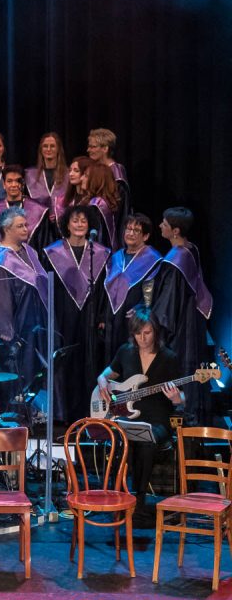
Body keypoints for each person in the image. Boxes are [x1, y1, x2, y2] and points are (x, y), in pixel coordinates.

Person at [96, 306, 182, 526]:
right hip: (128, 416)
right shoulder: (126, 351)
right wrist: (102, 380)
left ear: (155, 331)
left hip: (157, 420)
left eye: (147, 333)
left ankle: (139, 501)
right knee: (122, 440)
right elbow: (108, 373)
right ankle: (117, 497)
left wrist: (176, 398)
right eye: (138, 334)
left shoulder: (169, 357)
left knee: (146, 442)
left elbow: (182, 397)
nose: (143, 339)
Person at [43, 206, 111, 425]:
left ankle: (87, 410)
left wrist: (101, 315)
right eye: (75, 221)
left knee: (87, 361)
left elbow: (103, 289)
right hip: (63, 316)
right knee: (65, 362)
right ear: (67, 224)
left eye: (83, 221)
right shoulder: (53, 253)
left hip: (88, 317)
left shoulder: (99, 253)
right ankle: (64, 413)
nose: (80, 224)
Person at [0, 209, 50, 404]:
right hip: (18, 332)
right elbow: (0, 298)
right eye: (20, 226)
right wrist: (5, 329)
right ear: (6, 229)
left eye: (26, 225)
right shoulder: (2, 261)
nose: (26, 229)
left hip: (36, 326)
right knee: (21, 377)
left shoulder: (29, 252)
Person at [152, 207, 213, 423]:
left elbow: (167, 306)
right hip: (193, 319)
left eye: (165, 224)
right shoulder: (191, 249)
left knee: (179, 367)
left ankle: (182, 419)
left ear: (175, 231)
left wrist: (151, 322)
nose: (160, 226)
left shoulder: (175, 260)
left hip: (181, 325)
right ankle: (195, 413)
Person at [100, 213, 162, 364]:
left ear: (145, 236)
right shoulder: (116, 257)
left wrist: (142, 307)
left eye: (136, 230)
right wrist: (102, 316)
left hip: (133, 317)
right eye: (128, 229)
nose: (130, 233)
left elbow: (152, 290)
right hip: (112, 318)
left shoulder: (153, 259)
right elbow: (105, 289)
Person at [0, 165, 53, 250]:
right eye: (9, 181)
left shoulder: (39, 211)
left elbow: (44, 245)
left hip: (31, 261)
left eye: (17, 181)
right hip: (3, 261)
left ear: (23, 184)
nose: (14, 185)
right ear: (4, 184)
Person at [87, 128, 130, 230]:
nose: (88, 150)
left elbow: (119, 212)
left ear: (105, 148)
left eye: (93, 147)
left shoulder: (117, 174)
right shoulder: (95, 171)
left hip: (110, 231)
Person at [24, 132, 68, 224]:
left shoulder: (68, 174)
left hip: (63, 223)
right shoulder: (29, 175)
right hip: (38, 224)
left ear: (58, 149)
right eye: (45, 146)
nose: (48, 149)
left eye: (52, 146)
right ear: (41, 149)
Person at [82, 161, 120, 250]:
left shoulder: (97, 206)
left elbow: (97, 239)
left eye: (86, 176)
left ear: (95, 180)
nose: (82, 178)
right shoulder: (106, 202)